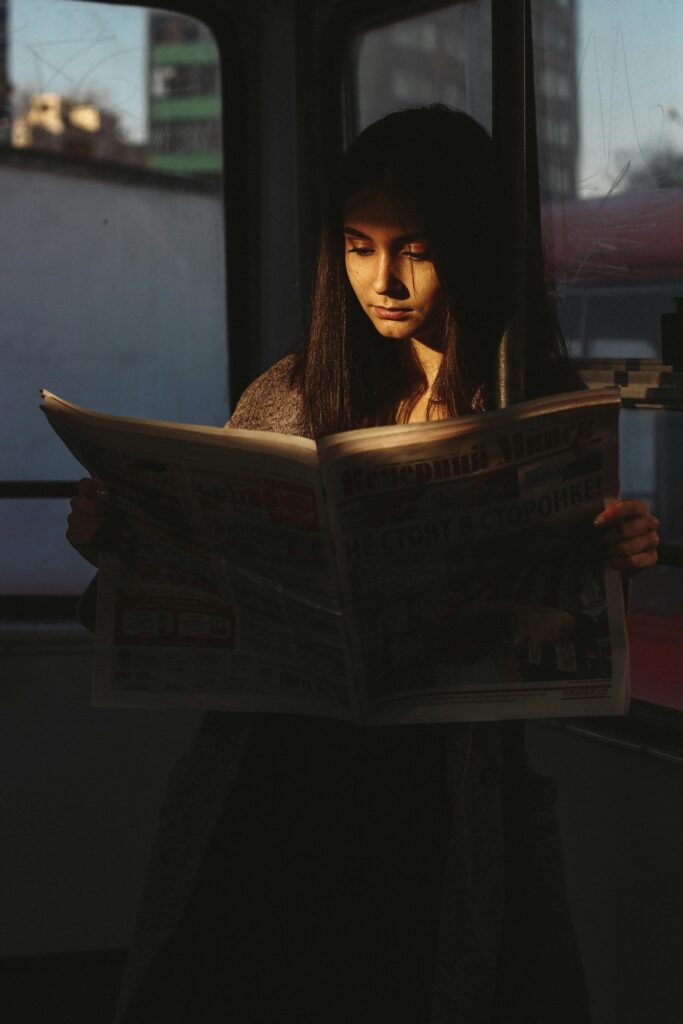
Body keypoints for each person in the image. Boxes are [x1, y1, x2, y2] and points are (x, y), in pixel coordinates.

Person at [67, 107, 659, 1023]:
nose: (381, 282)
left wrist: (616, 554)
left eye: (413, 250)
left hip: (439, 801)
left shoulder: (533, 407)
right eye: (355, 248)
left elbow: (558, 625)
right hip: (277, 794)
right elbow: (192, 600)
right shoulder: (289, 392)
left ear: (469, 243)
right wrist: (125, 541)